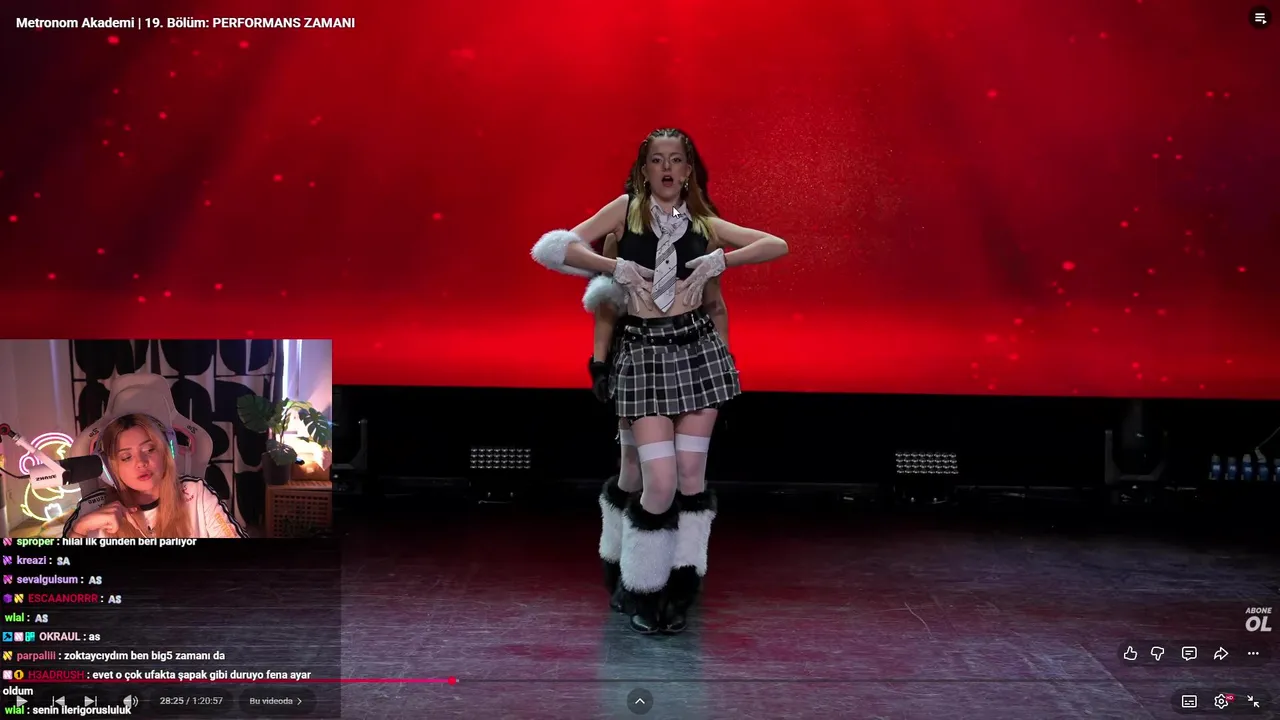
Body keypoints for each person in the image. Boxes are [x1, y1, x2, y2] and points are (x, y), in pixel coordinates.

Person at [531, 128, 788, 634]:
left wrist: (722, 259)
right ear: (644, 169)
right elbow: (552, 249)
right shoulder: (626, 210)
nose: (667, 168)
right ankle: (638, 584)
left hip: (698, 353)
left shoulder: (703, 222)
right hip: (644, 355)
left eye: (676, 160)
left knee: (691, 479)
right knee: (656, 481)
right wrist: (615, 267)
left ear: (688, 170)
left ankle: (681, 586)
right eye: (657, 160)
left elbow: (775, 245)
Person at [62, 413, 247, 539]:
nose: (141, 462)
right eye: (126, 457)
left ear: (166, 452)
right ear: (109, 467)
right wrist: (80, 530)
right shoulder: (91, 508)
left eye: (150, 449)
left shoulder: (195, 492)